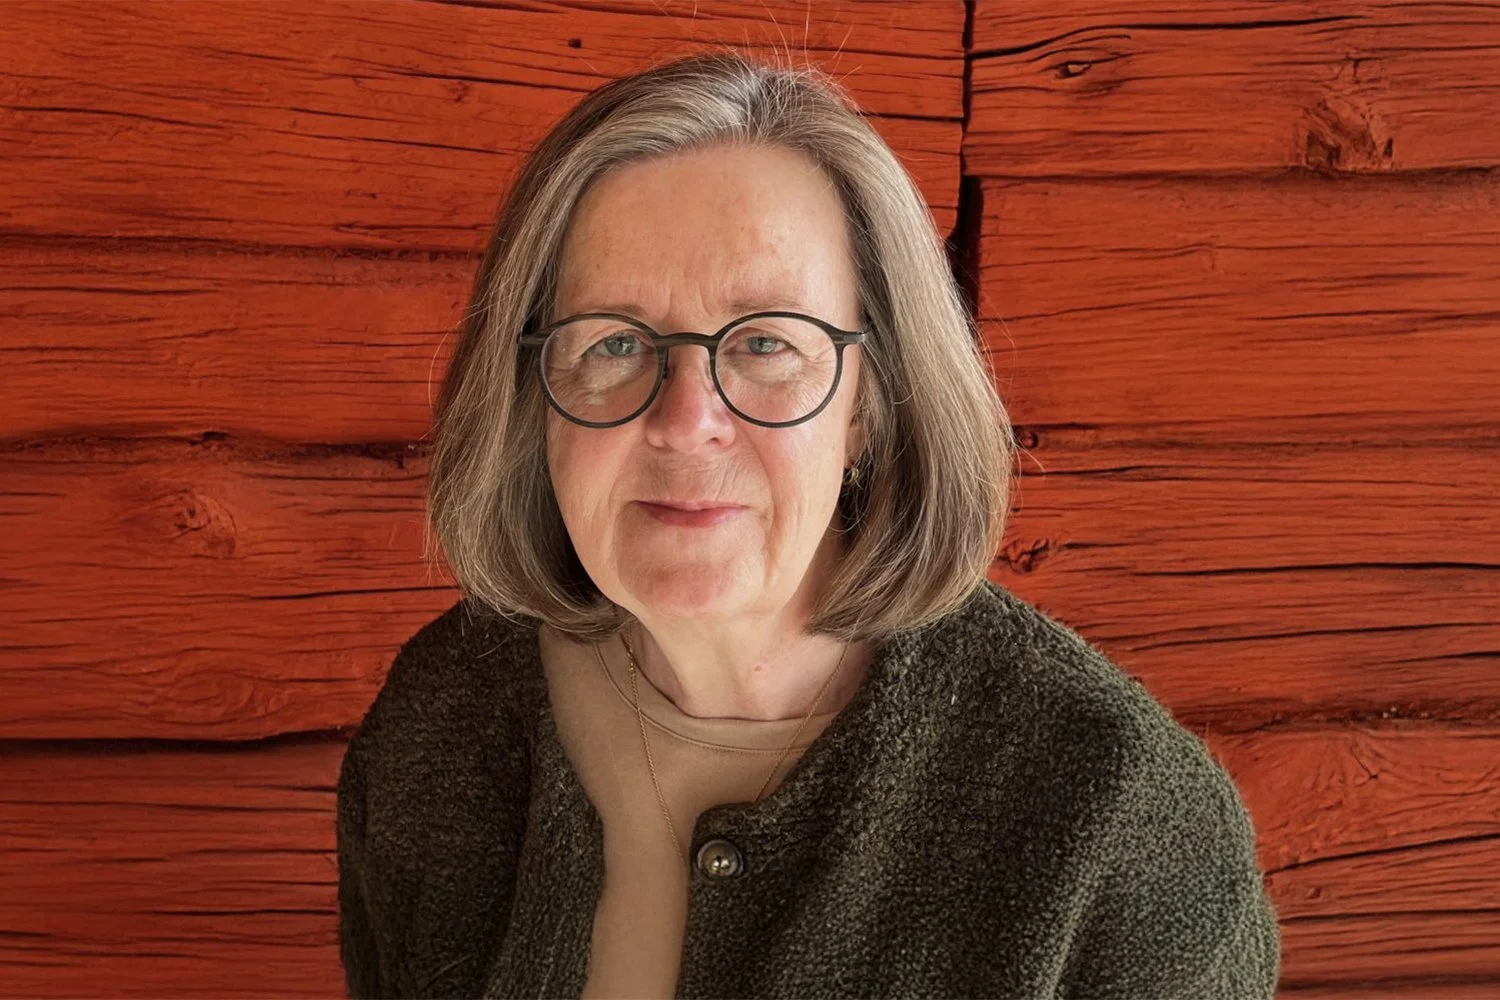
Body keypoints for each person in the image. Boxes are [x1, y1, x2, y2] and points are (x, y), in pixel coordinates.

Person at [336, 50, 1281, 999]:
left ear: (869, 404)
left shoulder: (1114, 814)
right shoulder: (442, 718)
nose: (684, 419)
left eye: (765, 344)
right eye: (615, 343)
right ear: (534, 394)